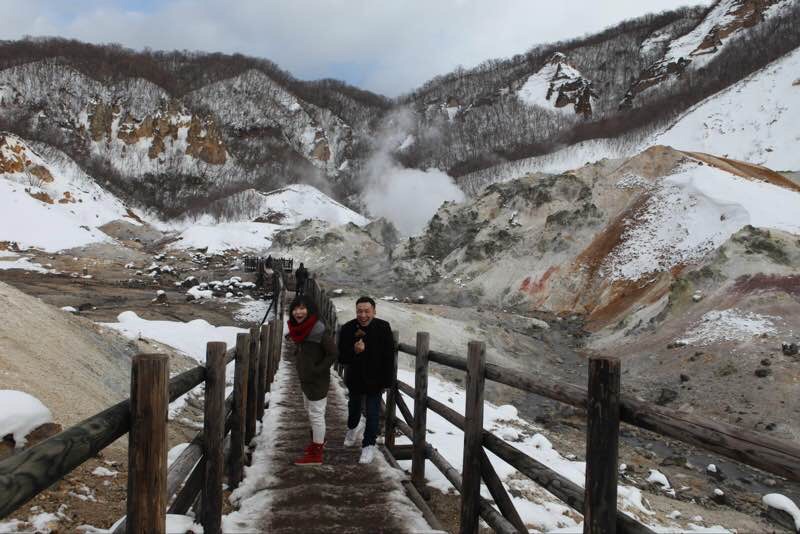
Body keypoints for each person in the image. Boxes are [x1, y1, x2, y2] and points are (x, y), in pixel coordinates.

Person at [338, 296, 395, 464]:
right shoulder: (348, 328)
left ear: (374, 311)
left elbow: (389, 356)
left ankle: (368, 445)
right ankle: (353, 427)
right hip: (355, 378)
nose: (363, 315)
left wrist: (387, 382)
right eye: (359, 311)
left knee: (373, 413)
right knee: (353, 409)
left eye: (366, 311)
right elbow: (341, 357)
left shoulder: (384, 327)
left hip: (375, 379)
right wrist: (354, 350)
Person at [286, 295, 337, 466]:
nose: (298, 312)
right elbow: (307, 349)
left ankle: (316, 454)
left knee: (316, 415)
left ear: (310, 310)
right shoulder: (301, 328)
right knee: (310, 411)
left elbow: (333, 353)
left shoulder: (318, 329)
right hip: (305, 378)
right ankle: (317, 442)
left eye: (302, 308)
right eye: (295, 308)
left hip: (316, 380)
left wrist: (317, 369)